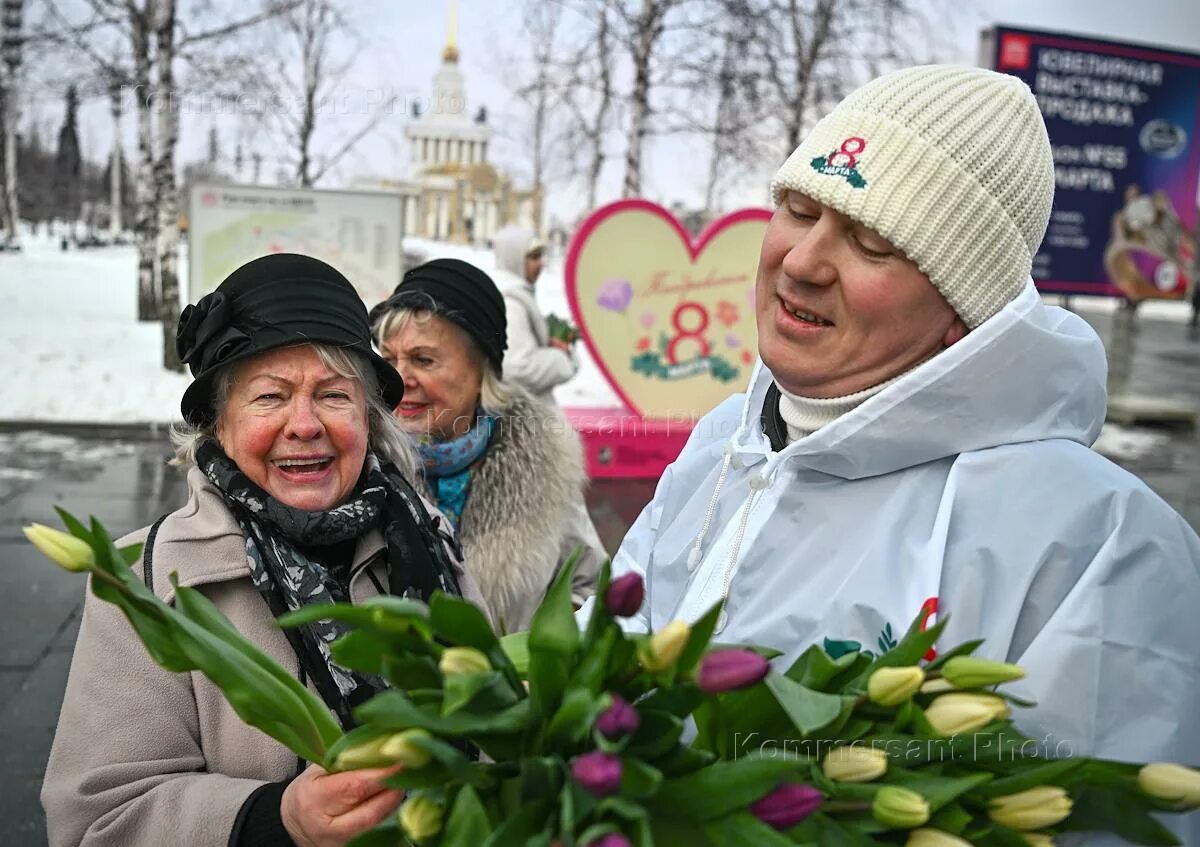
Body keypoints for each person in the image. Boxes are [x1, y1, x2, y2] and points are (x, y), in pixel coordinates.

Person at [587, 65, 1200, 843]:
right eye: (799, 208)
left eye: (873, 241)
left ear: (961, 308)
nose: (804, 261)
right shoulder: (725, 445)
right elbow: (605, 646)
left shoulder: (1099, 541)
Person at [43, 254, 487, 847]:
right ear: (218, 426)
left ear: (368, 419)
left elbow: (488, 742)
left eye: (333, 396)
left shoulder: (424, 541)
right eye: (270, 397)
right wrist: (277, 821)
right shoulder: (145, 580)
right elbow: (94, 822)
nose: (304, 425)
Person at [370, 258, 605, 633]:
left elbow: (589, 584)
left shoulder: (541, 462)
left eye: (423, 360)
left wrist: (544, 653)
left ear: (482, 368)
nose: (400, 378)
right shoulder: (363, 468)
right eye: (389, 359)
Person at [491, 225, 579, 404]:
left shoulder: (516, 295)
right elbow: (517, 369)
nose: (541, 263)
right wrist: (560, 357)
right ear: (514, 258)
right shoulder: (511, 304)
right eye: (533, 256)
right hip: (522, 419)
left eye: (541, 255)